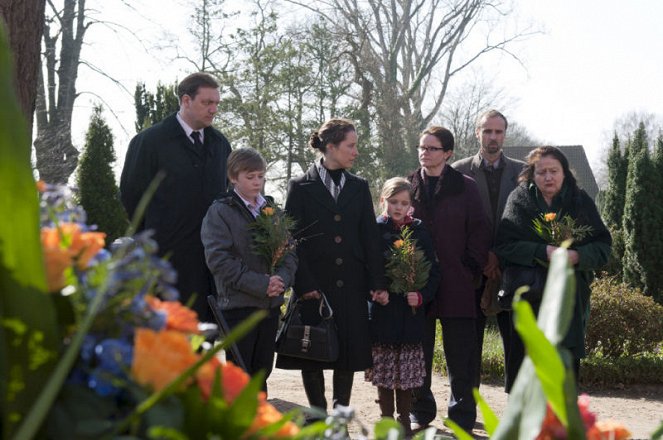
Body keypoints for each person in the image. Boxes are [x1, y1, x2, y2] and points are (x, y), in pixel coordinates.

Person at [275, 118, 388, 419]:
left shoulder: (359, 186)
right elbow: (292, 239)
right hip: (314, 285)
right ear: (331, 147)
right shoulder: (300, 186)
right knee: (312, 355)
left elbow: (369, 237)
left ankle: (339, 420)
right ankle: (317, 416)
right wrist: (304, 283)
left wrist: (377, 281)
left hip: (351, 284)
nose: (355, 152)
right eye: (351, 146)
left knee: (347, 354)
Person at [495, 146, 611, 392]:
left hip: (568, 299)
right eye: (542, 172)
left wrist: (577, 255)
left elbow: (603, 246)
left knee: (563, 367)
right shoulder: (519, 199)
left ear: (564, 173)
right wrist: (542, 251)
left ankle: (560, 426)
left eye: (554, 171)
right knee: (525, 364)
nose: (548, 177)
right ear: (532, 175)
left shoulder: (579, 200)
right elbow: (504, 245)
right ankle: (523, 425)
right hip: (528, 297)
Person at [120, 72, 232, 322]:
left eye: (216, 104)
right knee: (165, 339)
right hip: (165, 262)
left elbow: (225, 196)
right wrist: (157, 234)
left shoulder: (221, 145)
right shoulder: (149, 142)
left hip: (207, 264)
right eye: (207, 103)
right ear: (185, 100)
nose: (214, 109)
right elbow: (131, 194)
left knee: (202, 339)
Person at [407, 126, 490, 433]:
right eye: (421, 147)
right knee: (419, 351)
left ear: (448, 153)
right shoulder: (408, 185)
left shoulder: (465, 186)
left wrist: (470, 267)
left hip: (458, 282)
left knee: (462, 357)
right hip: (417, 284)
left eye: (431, 148)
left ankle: (462, 417)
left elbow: (480, 230)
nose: (424, 153)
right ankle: (421, 409)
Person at [200, 147, 296, 391]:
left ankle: (258, 426)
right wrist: (262, 284)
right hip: (238, 307)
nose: (257, 182)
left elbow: (289, 252)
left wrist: (281, 280)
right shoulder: (220, 211)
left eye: (261, 176)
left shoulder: (272, 211)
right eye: (250, 177)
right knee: (240, 379)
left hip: (270, 307)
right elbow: (220, 261)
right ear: (233, 177)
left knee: (261, 375)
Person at [452, 109, 525, 390]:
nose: (493, 137)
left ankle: (515, 414)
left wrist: (500, 255)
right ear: (476, 132)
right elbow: (455, 224)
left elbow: (524, 223)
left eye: (498, 131)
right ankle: (467, 408)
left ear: (505, 134)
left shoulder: (522, 172)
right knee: (469, 346)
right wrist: (483, 256)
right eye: (487, 131)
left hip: (512, 271)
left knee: (516, 346)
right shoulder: (457, 171)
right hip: (472, 270)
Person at [366, 177, 441, 436]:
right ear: (382, 201)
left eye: (404, 203)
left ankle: (405, 421)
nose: (398, 208)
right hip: (383, 313)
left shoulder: (419, 231)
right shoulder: (373, 229)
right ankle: (387, 420)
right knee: (385, 370)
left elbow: (433, 271)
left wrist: (421, 296)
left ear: (411, 205)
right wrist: (374, 291)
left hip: (410, 314)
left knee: (407, 372)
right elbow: (364, 267)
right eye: (393, 202)